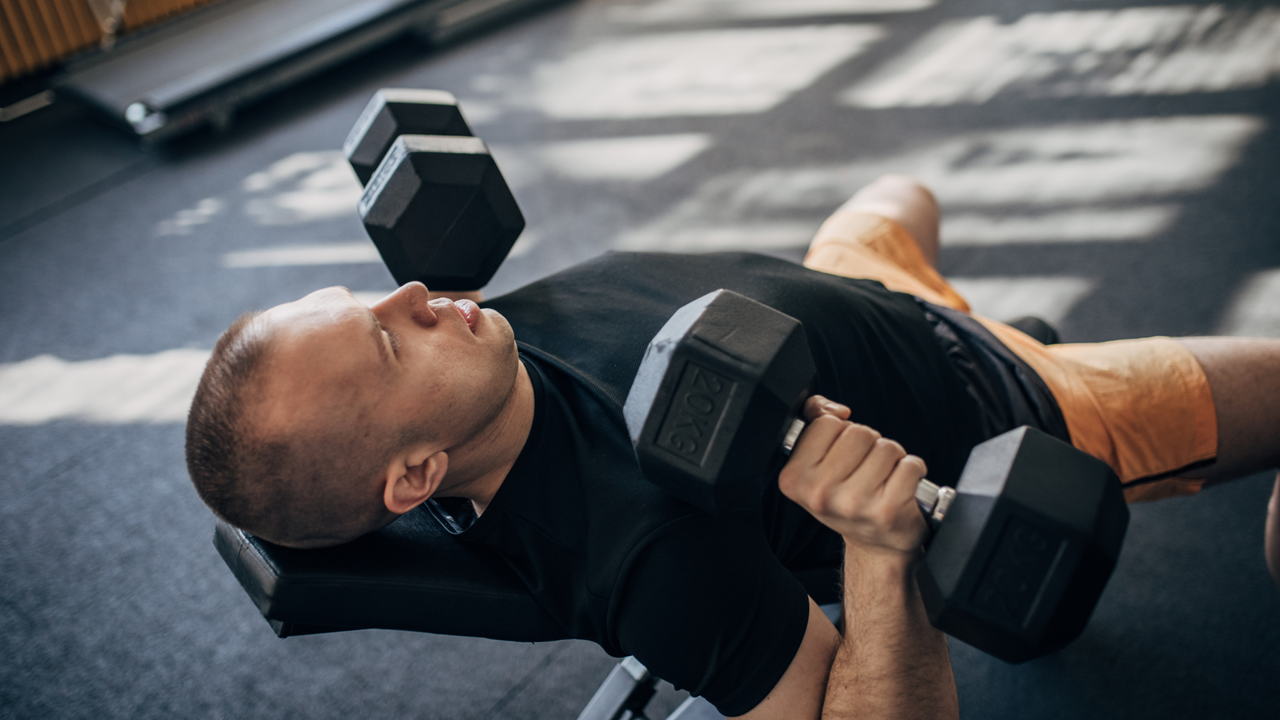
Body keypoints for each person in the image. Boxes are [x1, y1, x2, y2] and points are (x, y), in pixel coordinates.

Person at [185, 175, 1280, 719]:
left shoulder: (464, 364)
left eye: (375, 296)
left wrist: (392, 342)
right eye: (386, 341)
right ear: (415, 475)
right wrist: (881, 549)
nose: (420, 293)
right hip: (1011, 404)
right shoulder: (651, 558)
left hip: (858, 288)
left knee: (902, 192)